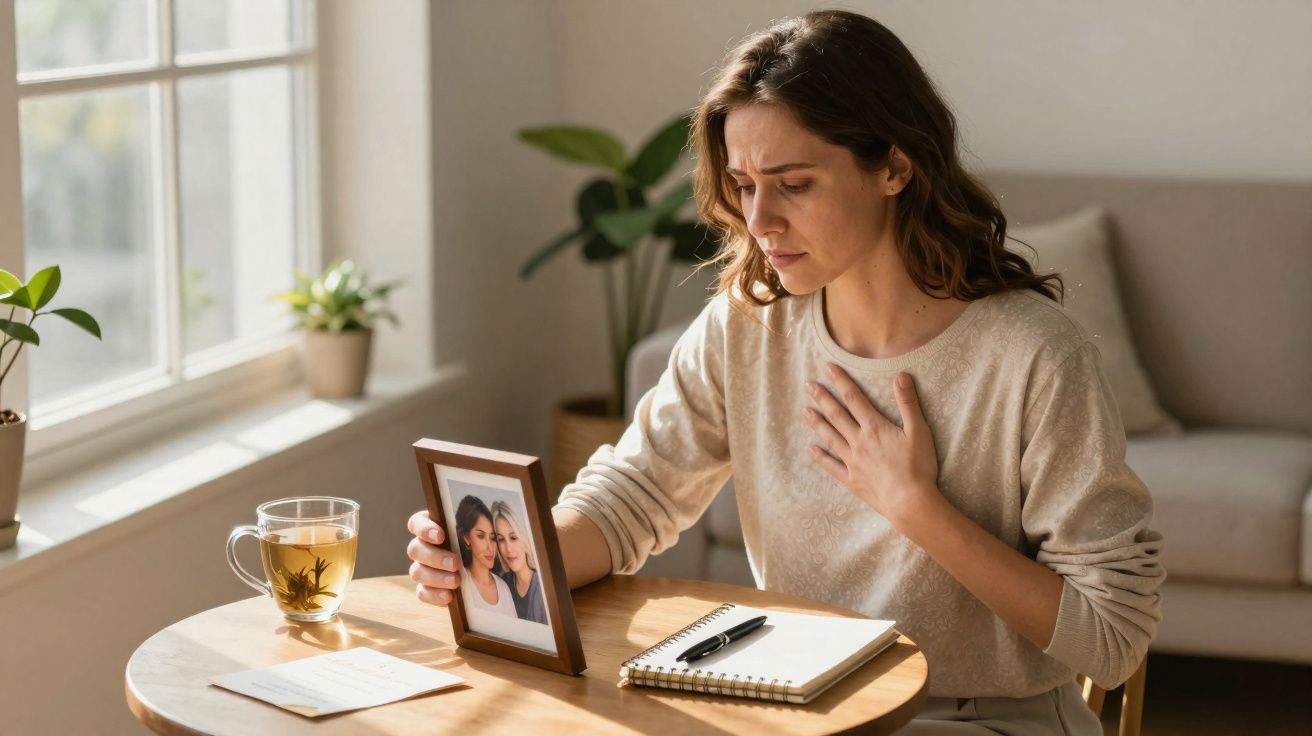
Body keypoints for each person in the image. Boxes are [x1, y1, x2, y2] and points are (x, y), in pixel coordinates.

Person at [408, 9, 1163, 733]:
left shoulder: (1035, 355)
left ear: (894, 166)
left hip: (975, 718)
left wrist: (915, 507)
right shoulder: (748, 327)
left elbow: (1111, 637)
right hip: (800, 710)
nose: (759, 221)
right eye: (744, 185)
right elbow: (632, 497)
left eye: (794, 184)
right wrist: (500, 560)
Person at [453, 495, 517, 618]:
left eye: (493, 538)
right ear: (466, 538)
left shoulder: (503, 588)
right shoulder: (461, 583)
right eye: (481, 536)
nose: (490, 547)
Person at [490, 500, 549, 625]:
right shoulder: (501, 585)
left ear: (525, 539)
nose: (508, 549)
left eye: (513, 538)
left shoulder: (544, 586)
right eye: (501, 539)